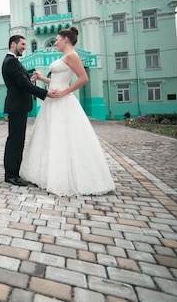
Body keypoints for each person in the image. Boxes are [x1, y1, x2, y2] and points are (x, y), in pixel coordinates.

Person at [20, 27, 115, 196]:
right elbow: (57, 80)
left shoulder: (72, 56)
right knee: (49, 136)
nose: (55, 42)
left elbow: (83, 78)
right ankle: (45, 174)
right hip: (52, 101)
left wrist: (64, 92)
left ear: (65, 39)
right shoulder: (64, 57)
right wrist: (42, 78)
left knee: (63, 136)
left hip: (63, 101)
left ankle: (63, 177)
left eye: (57, 39)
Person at [2, 35, 57, 186]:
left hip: (19, 105)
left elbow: (22, 82)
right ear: (13, 44)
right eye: (23, 44)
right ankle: (11, 174)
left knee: (17, 140)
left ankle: (14, 172)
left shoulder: (13, 61)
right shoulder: (11, 62)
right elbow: (22, 85)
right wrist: (45, 93)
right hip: (17, 106)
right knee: (15, 141)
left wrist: (30, 80)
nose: (25, 47)